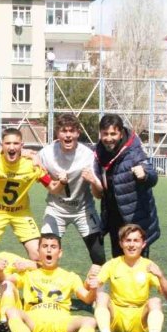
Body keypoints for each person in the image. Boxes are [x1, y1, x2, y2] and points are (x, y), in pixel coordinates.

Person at [5, 233, 109, 332]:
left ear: (60, 253)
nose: (49, 250)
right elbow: (4, 281)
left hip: (61, 322)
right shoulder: (28, 274)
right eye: (45, 246)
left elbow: (87, 299)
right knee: (11, 311)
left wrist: (93, 287)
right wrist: (4, 269)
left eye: (53, 247)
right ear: (38, 252)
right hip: (34, 321)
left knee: (89, 321)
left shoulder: (70, 276)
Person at [0, 127, 52, 260]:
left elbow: (52, 186)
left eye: (15, 143)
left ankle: (33, 280)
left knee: (37, 254)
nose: (11, 147)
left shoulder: (32, 165)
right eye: (8, 143)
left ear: (21, 145)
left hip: (21, 213)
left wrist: (63, 181)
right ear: (2, 145)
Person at [93, 224, 167, 332]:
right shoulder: (112, 264)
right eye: (128, 240)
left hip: (139, 318)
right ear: (121, 243)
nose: (131, 245)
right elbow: (95, 283)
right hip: (116, 317)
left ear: (143, 244)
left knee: (155, 301)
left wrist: (160, 276)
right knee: (102, 296)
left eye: (136, 240)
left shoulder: (149, 265)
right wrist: (92, 282)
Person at [38, 113, 105, 266]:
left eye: (71, 131)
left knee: (99, 256)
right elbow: (32, 159)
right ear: (57, 133)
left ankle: (98, 290)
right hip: (56, 209)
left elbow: (99, 194)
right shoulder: (46, 153)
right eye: (64, 131)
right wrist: (31, 156)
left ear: (77, 133)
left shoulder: (88, 155)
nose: (68, 135)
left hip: (83, 210)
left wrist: (93, 181)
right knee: (45, 256)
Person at [92, 114, 160, 258]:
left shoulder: (134, 152)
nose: (109, 138)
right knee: (118, 263)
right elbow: (99, 192)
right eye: (105, 134)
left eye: (113, 134)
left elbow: (152, 176)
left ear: (121, 133)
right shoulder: (99, 153)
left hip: (136, 219)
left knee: (138, 265)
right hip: (113, 217)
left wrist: (144, 174)